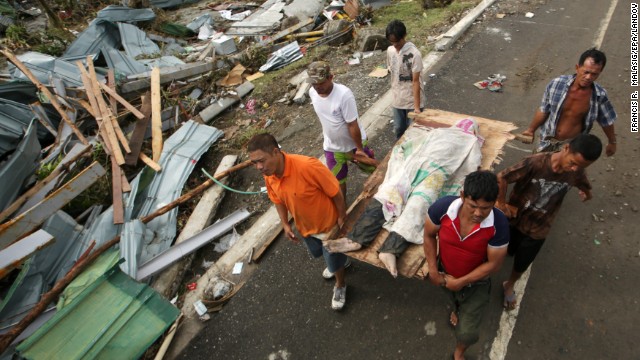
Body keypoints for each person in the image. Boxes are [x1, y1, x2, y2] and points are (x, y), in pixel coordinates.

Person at [496, 134, 602, 310]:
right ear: (565, 148)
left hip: (540, 226)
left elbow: (584, 185)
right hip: (515, 218)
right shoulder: (535, 163)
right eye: (573, 163)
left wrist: (586, 194)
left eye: (581, 167)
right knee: (508, 247)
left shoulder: (577, 172)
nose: (575, 169)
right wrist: (501, 204)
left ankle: (510, 284)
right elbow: (502, 177)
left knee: (523, 260)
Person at [247, 133, 350, 310]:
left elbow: (335, 192)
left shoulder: (308, 166)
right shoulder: (269, 175)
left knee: (332, 258)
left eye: (261, 161)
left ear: (275, 152)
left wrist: (342, 217)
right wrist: (285, 223)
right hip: (306, 228)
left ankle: (340, 284)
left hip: (328, 227)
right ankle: (340, 261)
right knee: (320, 254)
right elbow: (277, 200)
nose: (259, 167)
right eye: (254, 163)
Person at [423, 171, 509, 360]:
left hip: (475, 284)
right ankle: (457, 310)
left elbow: (494, 265)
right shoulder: (442, 208)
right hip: (445, 273)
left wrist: (461, 281)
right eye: (473, 206)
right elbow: (428, 235)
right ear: (462, 196)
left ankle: (459, 353)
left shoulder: (499, 224)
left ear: (494, 202)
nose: (478, 213)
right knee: (452, 297)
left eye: (486, 208)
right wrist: (433, 270)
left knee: (467, 333)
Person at [519, 48, 617, 156]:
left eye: (594, 74)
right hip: (547, 141)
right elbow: (544, 110)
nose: (588, 77)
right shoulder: (556, 84)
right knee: (537, 169)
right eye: (586, 72)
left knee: (561, 171)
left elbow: (606, 121)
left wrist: (612, 142)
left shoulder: (599, 96)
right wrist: (531, 130)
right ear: (577, 68)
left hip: (571, 148)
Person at [307, 61, 376, 201]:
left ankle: (386, 190)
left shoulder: (344, 95)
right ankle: (342, 209)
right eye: (314, 84)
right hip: (332, 147)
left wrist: (359, 149)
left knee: (373, 169)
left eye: (320, 83)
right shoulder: (312, 93)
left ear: (331, 77)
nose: (317, 87)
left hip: (353, 146)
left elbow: (352, 124)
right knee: (337, 180)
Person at [386, 19, 427, 139]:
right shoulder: (390, 51)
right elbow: (391, 69)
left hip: (411, 101)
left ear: (404, 36)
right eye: (391, 42)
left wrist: (417, 108)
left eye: (397, 42)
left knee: (414, 133)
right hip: (397, 100)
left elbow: (415, 82)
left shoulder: (415, 54)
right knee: (398, 130)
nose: (395, 45)